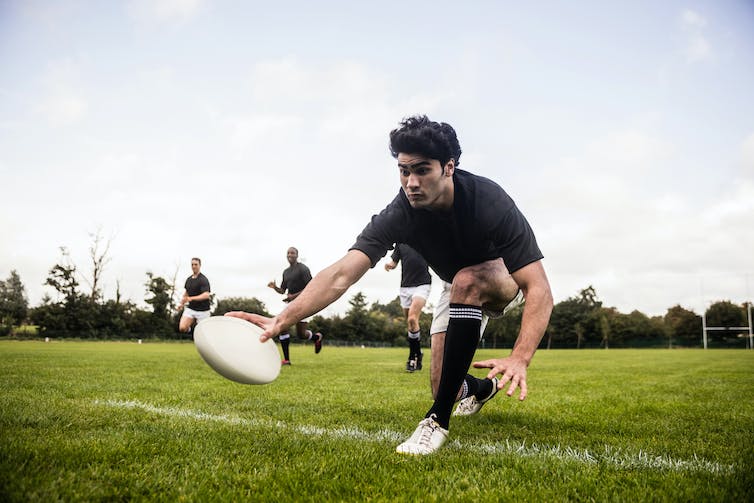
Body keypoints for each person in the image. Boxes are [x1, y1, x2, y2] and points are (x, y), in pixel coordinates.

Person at [229, 115, 552, 455]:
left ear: (449, 167)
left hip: (503, 278)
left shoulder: (489, 201)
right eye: (404, 170)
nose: (411, 182)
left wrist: (520, 357)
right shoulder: (399, 213)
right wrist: (283, 318)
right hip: (455, 288)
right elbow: (341, 273)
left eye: (422, 170)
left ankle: (436, 422)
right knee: (443, 384)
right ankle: (481, 389)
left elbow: (539, 289)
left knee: (467, 280)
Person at [267, 246, 323, 363]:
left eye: (292, 253)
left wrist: (294, 296)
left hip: (304, 301)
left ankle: (316, 337)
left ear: (297, 255)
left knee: (301, 335)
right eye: (288, 253)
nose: (290, 255)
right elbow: (283, 290)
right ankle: (286, 360)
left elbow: (311, 287)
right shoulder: (286, 272)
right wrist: (275, 287)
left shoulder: (303, 269)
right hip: (290, 303)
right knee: (282, 327)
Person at [384, 243, 431, 373]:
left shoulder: (425, 238)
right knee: (410, 325)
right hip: (405, 287)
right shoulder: (400, 242)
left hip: (422, 284)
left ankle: (412, 358)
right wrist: (389, 265)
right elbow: (394, 262)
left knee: (412, 319)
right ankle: (418, 353)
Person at [177, 257, 211, 334]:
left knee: (204, 334)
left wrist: (191, 298)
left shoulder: (203, 279)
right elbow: (186, 293)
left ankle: (198, 331)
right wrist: (181, 304)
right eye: (192, 264)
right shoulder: (189, 280)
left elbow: (206, 295)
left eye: (196, 264)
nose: (194, 266)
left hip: (203, 310)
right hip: (191, 309)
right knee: (182, 328)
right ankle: (190, 329)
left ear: (200, 265)